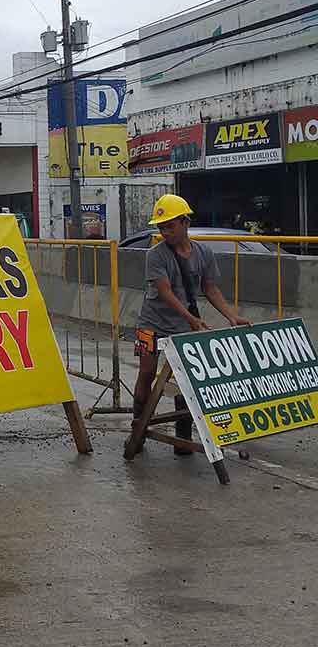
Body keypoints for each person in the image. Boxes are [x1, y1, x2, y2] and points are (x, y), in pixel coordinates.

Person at [133, 194, 249, 454]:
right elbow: (164, 292)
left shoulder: (203, 253)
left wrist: (231, 315)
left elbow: (209, 287)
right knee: (147, 372)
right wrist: (191, 319)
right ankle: (137, 426)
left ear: (185, 222)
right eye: (162, 227)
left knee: (185, 379)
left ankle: (183, 437)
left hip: (182, 326)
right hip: (150, 323)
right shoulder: (155, 255)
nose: (165, 232)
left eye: (170, 226)